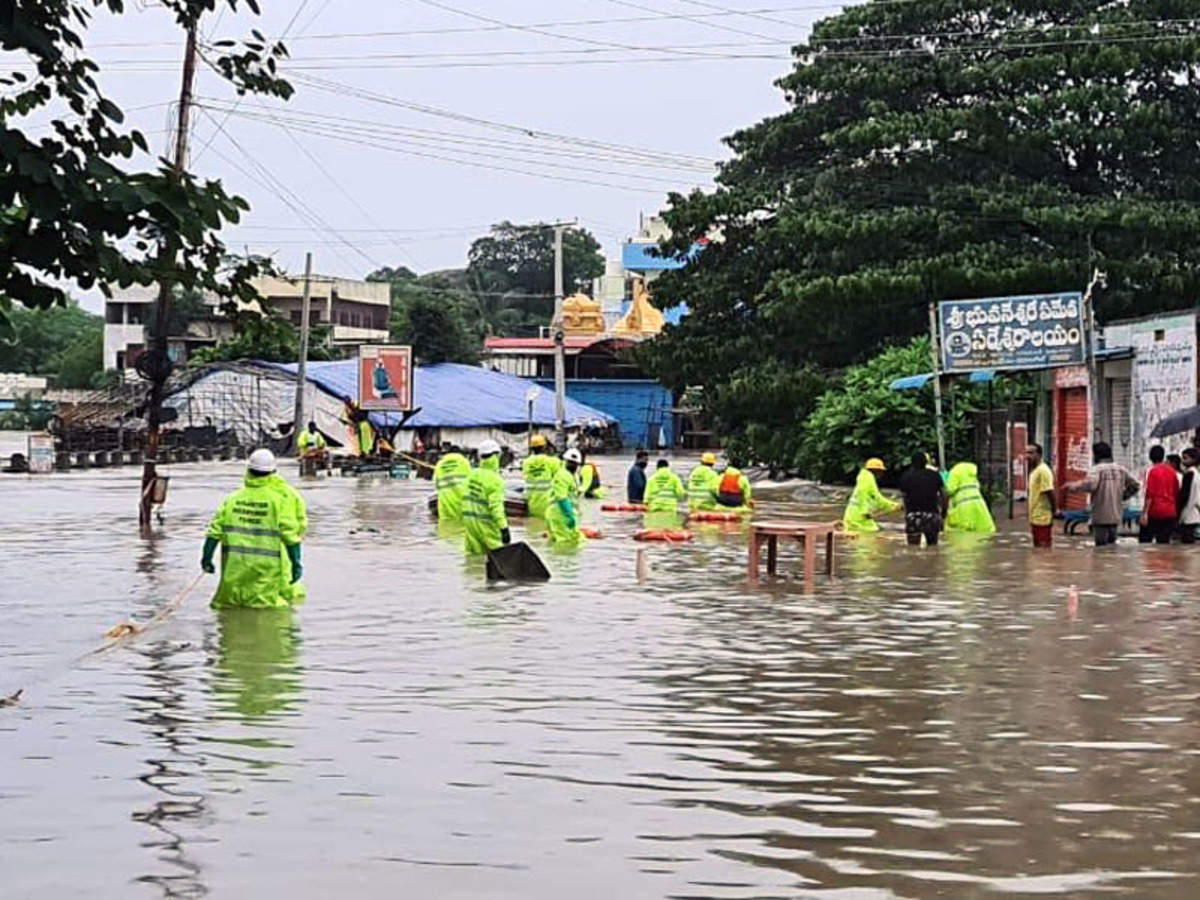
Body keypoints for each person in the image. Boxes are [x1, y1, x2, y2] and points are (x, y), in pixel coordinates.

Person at [202, 449, 303, 609]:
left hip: (234, 572)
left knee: (229, 613)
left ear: (248, 471)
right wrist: (296, 563)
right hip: (264, 572)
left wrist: (206, 558)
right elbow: (290, 535)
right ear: (273, 472)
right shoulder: (279, 500)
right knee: (270, 615)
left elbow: (214, 532)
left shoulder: (232, 499)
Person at [1065, 442, 1140, 546]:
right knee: (1111, 548)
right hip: (1115, 515)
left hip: (1100, 516)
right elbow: (1135, 486)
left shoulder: (1096, 470)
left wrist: (1074, 486)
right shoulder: (1121, 469)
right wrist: (1122, 496)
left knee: (1100, 549)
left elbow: (1091, 484)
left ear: (1096, 455)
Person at [462, 439, 510, 555]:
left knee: (473, 560)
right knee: (497, 556)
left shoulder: (471, 475)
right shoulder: (494, 479)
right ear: (496, 456)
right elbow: (496, 508)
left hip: (470, 524)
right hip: (486, 525)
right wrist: (504, 528)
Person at [898, 451, 946, 547]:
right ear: (926, 462)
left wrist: (907, 513)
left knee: (912, 549)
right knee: (933, 549)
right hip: (931, 515)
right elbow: (944, 494)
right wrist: (943, 512)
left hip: (913, 515)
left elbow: (904, 497)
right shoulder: (935, 475)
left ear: (912, 463)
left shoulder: (906, 476)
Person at [843, 458, 900, 533]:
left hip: (852, 516)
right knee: (872, 534)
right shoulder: (868, 479)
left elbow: (875, 498)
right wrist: (864, 511)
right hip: (859, 518)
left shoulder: (864, 478)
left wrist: (893, 505)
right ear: (876, 470)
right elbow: (869, 496)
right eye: (881, 471)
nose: (882, 474)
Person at [545, 448, 585, 547]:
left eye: (574, 464)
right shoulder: (563, 475)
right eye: (570, 463)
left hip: (560, 514)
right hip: (561, 514)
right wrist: (569, 515)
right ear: (565, 461)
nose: (573, 466)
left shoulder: (569, 476)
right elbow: (561, 497)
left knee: (559, 541)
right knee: (567, 543)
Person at [1140, 444, 1179, 544]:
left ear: (1150, 457)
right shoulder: (1172, 471)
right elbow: (1176, 492)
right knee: (1164, 543)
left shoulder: (1152, 471)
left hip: (1156, 511)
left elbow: (1150, 495)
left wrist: (1144, 513)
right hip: (1170, 511)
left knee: (1145, 542)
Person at [945, 461, 996, 533]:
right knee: (983, 528)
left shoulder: (954, 472)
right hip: (978, 502)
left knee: (963, 531)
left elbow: (950, 489)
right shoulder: (971, 473)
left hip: (963, 505)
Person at [522, 434, 561, 520]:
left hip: (532, 503)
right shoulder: (553, 461)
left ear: (531, 448)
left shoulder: (526, 463)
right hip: (549, 504)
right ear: (544, 447)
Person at [1025, 442, 1056, 548]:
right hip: (1035, 516)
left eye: (1031, 453)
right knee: (1037, 548)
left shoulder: (1043, 471)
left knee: (1043, 549)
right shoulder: (1034, 471)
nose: (1027, 456)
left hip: (1042, 518)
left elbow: (1049, 491)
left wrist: (1055, 510)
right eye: (1026, 453)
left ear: (1039, 455)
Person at [644, 458, 687, 529]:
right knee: (668, 528)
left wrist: (646, 504)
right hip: (669, 509)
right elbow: (680, 493)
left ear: (657, 467)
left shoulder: (651, 478)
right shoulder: (674, 478)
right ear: (667, 467)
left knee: (655, 529)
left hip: (654, 509)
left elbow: (647, 496)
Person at [433, 449, 471, 523]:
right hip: (462, 505)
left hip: (444, 507)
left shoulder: (439, 464)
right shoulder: (464, 462)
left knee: (446, 530)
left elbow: (437, 485)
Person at [1178, 448, 1199, 544]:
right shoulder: (1196, 473)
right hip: (1194, 513)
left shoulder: (1189, 474)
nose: (1182, 461)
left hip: (1188, 514)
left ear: (1194, 459)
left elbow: (1184, 495)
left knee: (1187, 543)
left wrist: (1178, 511)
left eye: (1185, 458)